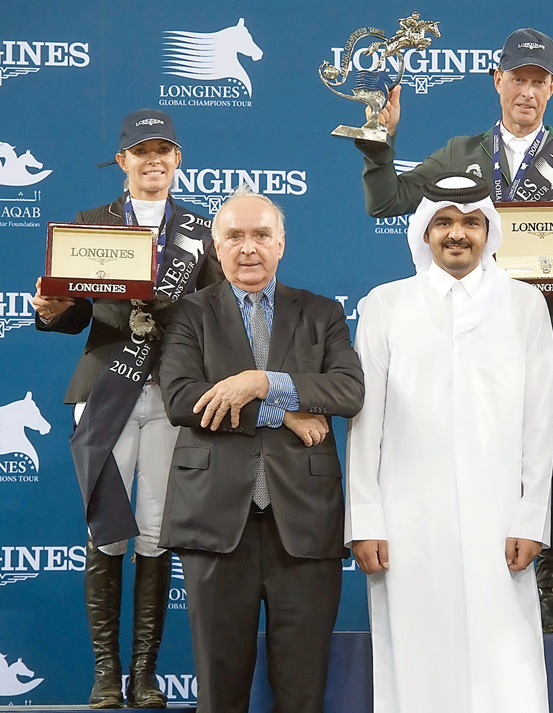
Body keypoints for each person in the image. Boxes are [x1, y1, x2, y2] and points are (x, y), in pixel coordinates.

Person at [355, 26, 553, 634]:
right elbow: (388, 200)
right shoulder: (458, 152)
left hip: (537, 329)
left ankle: (550, 583)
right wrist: (379, 142)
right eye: (516, 78)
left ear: (552, 87)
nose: (526, 91)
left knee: (543, 452)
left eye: (538, 81)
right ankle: (446, 564)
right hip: (455, 328)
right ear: (496, 81)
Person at [31, 108, 221, 709]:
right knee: (107, 530)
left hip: (170, 392)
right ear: (123, 161)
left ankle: (144, 673)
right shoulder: (90, 225)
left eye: (164, 150)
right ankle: (105, 675)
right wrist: (51, 311)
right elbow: (73, 313)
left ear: (178, 159)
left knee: (157, 529)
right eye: (142, 152)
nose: (154, 160)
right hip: (105, 387)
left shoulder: (201, 229)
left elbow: (215, 314)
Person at [345, 173, 553, 713]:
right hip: (406, 519)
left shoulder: (525, 304)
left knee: (505, 664)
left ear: (490, 231)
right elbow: (367, 423)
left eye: (470, 223)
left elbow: (539, 422)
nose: (456, 234)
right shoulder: (385, 305)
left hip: (501, 519)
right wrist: (365, 519)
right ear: (424, 231)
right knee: (416, 658)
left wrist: (532, 517)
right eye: (443, 222)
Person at [157, 186, 364, 713]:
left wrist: (261, 382)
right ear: (215, 245)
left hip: (306, 525)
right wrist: (283, 409)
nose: (248, 248)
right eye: (235, 236)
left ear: (281, 244)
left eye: (261, 236)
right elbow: (183, 399)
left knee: (302, 691)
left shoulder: (322, 313)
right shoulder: (187, 314)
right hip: (214, 523)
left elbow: (347, 390)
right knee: (220, 691)